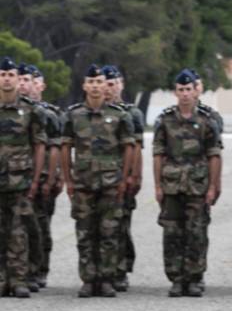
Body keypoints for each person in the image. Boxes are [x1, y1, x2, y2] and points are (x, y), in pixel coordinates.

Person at [62, 66, 139, 297]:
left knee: (110, 233)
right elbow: (65, 147)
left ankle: (106, 279)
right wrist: (68, 179)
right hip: (83, 183)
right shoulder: (74, 115)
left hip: (110, 183)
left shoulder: (120, 115)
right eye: (91, 82)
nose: (95, 86)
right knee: (84, 233)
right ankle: (88, 279)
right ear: (84, 86)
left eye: (100, 82)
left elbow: (129, 147)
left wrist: (124, 178)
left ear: (107, 86)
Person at [150, 69, 222, 297]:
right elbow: (158, 154)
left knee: (196, 232)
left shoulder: (206, 121)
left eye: (188, 89)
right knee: (172, 233)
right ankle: (176, 278)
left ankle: (195, 277)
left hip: (197, 186)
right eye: (180, 90)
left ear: (195, 91)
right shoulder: (165, 120)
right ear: (175, 92)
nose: (184, 94)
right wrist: (158, 186)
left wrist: (212, 186)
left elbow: (214, 155)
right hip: (172, 186)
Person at [0, 59, 51, 296]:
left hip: (20, 180)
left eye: (11, 74)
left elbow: (39, 145)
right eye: (3, 74)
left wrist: (35, 177)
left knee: (19, 230)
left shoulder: (31, 110)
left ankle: (19, 279)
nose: (7, 79)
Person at [101, 66, 143, 292]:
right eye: (106, 83)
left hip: (121, 177)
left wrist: (135, 177)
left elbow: (136, 148)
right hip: (99, 178)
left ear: (121, 84)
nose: (109, 88)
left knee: (121, 225)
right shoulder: (95, 113)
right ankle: (103, 269)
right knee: (103, 228)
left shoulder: (131, 113)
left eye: (113, 83)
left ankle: (121, 269)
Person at [20, 66, 62, 290]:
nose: (27, 84)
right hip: (17, 176)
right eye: (24, 79)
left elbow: (57, 147)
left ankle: (38, 269)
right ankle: (19, 270)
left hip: (43, 176)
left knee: (40, 226)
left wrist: (56, 177)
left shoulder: (49, 114)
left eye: (31, 80)